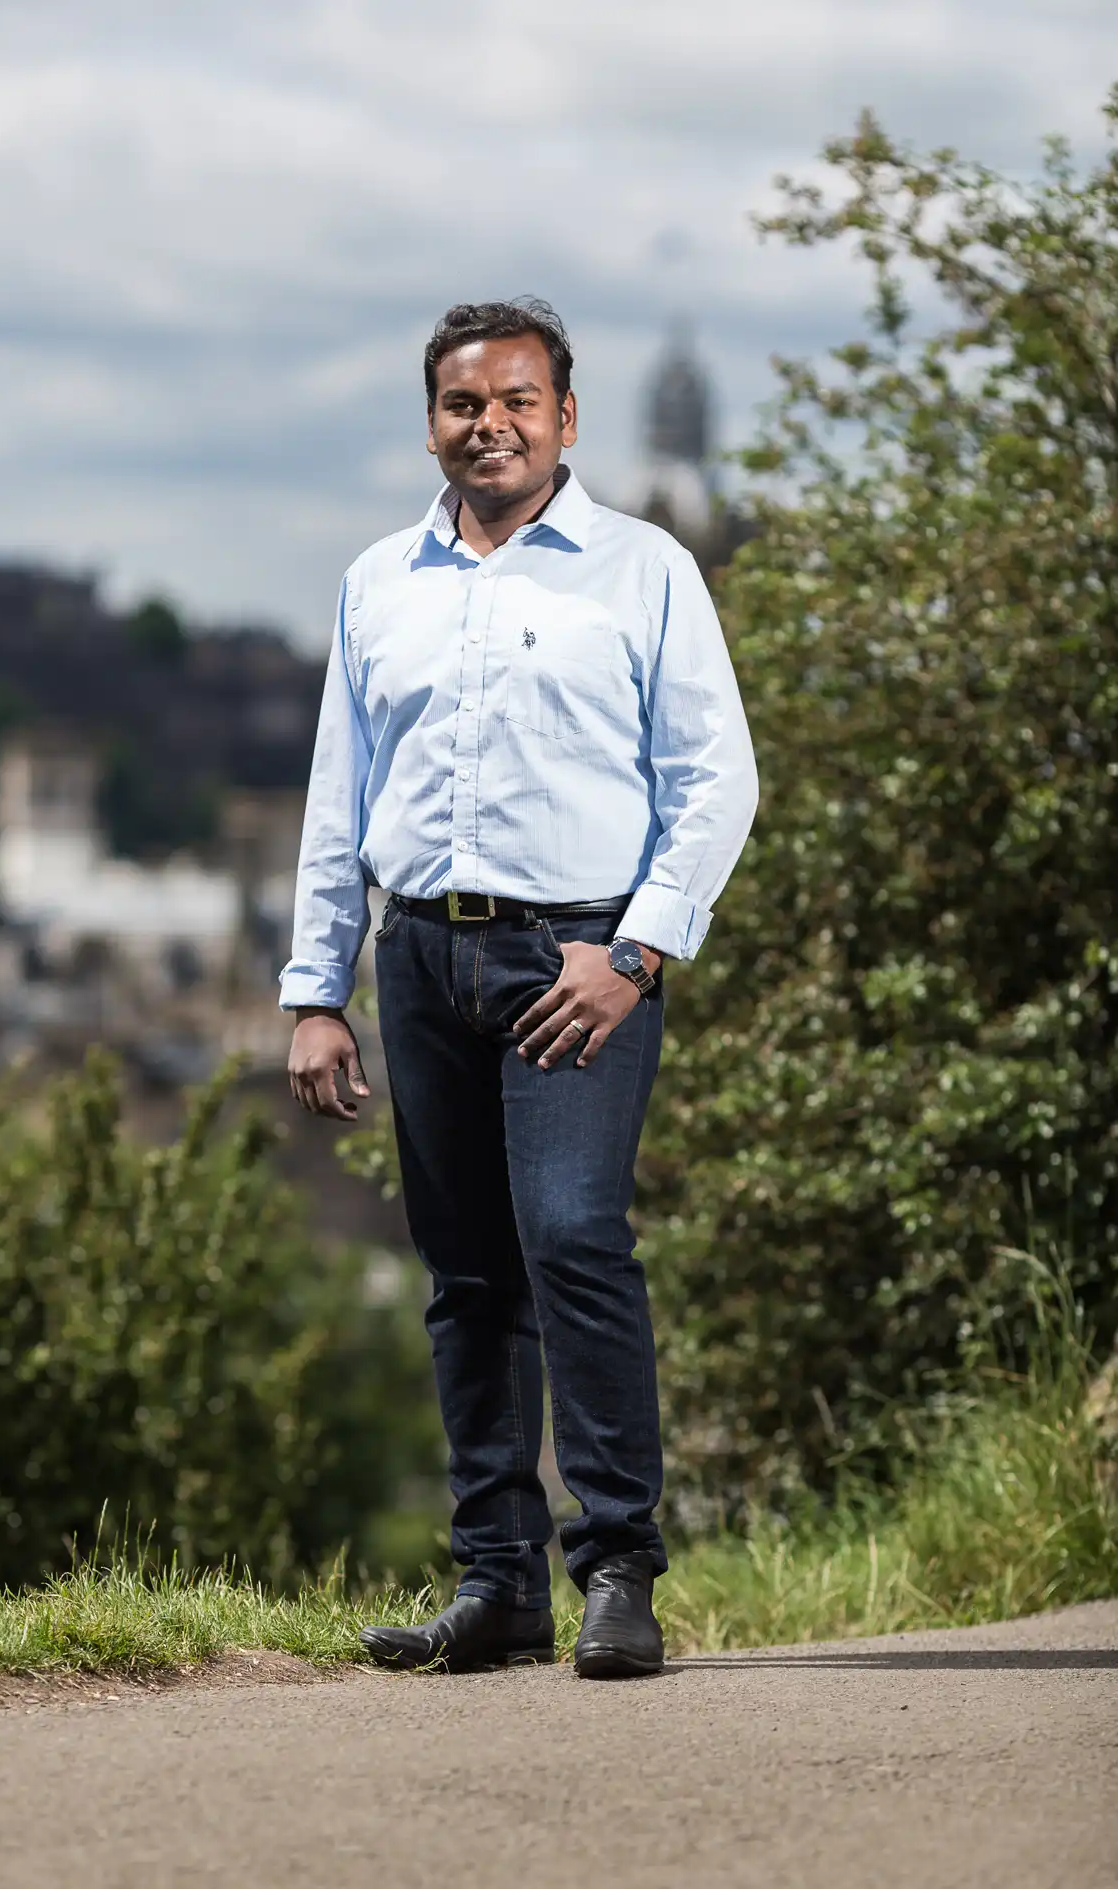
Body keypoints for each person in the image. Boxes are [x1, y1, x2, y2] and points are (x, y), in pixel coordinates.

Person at [281, 298, 757, 1678]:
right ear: (430, 420)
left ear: (564, 415)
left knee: (573, 1237)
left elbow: (717, 779)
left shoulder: (644, 568)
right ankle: (499, 1584)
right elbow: (337, 795)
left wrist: (640, 950)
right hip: (421, 954)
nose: (489, 425)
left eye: (516, 402)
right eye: (462, 405)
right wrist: (318, 990)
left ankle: (615, 1569)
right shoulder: (381, 583)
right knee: (467, 1274)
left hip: (580, 960)